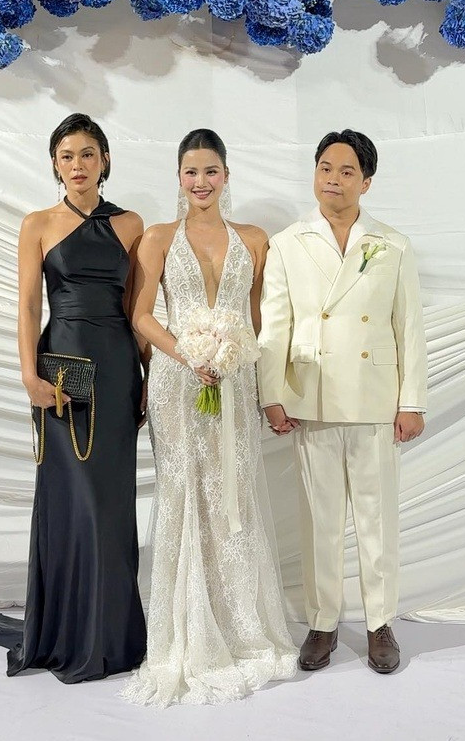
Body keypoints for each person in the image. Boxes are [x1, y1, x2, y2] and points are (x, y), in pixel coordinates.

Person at [0, 113, 148, 682]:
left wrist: (148, 374)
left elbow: (136, 310)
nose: (77, 165)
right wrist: (27, 376)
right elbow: (28, 306)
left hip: (116, 370)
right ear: (55, 165)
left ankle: (111, 634)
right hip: (60, 371)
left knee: (112, 503)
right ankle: (68, 631)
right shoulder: (37, 223)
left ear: (105, 161)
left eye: (87, 154)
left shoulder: (132, 224)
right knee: (72, 497)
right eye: (66, 156)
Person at [123, 129, 297, 706]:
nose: (201, 182)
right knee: (184, 492)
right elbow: (141, 316)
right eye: (191, 172)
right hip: (177, 382)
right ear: (178, 177)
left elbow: (260, 320)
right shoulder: (157, 237)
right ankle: (184, 632)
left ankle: (241, 626)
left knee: (233, 493)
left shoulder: (254, 239)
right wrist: (187, 353)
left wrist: (255, 377)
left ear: (226, 175)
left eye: (211, 171)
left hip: (235, 380)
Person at [258, 129, 426, 675]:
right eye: (325, 168)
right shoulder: (288, 243)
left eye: (346, 171)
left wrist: (411, 401)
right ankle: (322, 622)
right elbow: (275, 325)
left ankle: (380, 624)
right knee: (319, 521)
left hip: (375, 397)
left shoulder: (392, 244)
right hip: (313, 395)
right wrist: (271, 393)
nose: (333, 179)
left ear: (366, 182)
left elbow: (409, 327)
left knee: (377, 519)